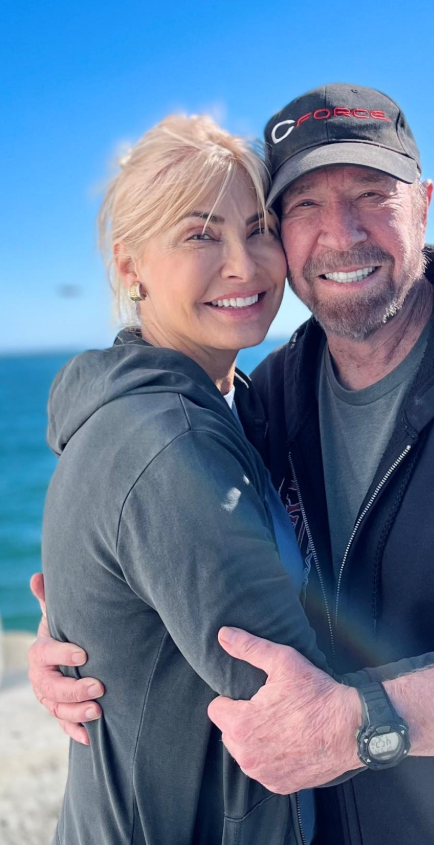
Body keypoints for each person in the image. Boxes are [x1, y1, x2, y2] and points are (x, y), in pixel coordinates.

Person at [31, 85, 434, 845]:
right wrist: (90, 635)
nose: (341, 234)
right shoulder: (272, 398)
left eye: (373, 193)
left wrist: (361, 723)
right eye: (302, 207)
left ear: (424, 204)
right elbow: (184, 535)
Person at [37, 113, 348, 845]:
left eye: (259, 227)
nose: (244, 265)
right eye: (201, 234)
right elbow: (298, 712)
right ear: (129, 265)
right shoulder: (166, 443)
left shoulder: (227, 405)